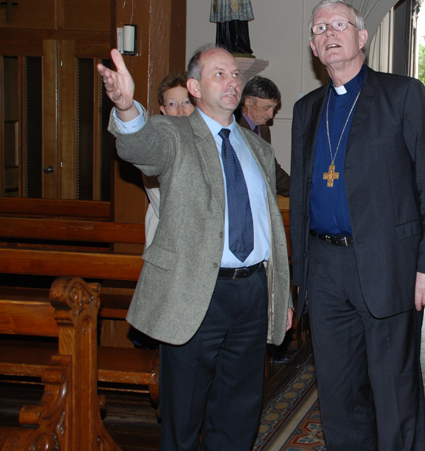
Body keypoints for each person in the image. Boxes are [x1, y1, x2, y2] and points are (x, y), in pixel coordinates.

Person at [97, 45, 293, 450]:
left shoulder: (258, 148)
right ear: (194, 87)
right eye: (218, 74)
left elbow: (269, 229)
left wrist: (281, 296)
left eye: (234, 75)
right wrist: (127, 107)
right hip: (197, 291)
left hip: (252, 291)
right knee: (183, 414)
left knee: (239, 412)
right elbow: (141, 147)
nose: (232, 81)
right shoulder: (176, 133)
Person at [289, 0, 425, 451]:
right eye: (320, 28)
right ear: (313, 47)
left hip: (388, 263)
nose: (329, 33)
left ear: (362, 38)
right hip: (323, 268)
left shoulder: (402, 94)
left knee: (394, 388)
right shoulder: (306, 110)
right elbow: (303, 196)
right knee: (338, 391)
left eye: (339, 24)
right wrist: (298, 276)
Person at [143, 71, 194, 246]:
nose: (181, 111)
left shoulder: (212, 141)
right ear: (163, 110)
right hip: (168, 242)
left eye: (187, 102)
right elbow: (169, 208)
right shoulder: (156, 147)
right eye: (172, 104)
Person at [236, 75, 291, 196]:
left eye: (273, 108)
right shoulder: (233, 129)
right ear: (249, 102)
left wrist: (299, 189)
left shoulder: (264, 130)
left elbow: (271, 169)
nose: (271, 115)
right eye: (266, 108)